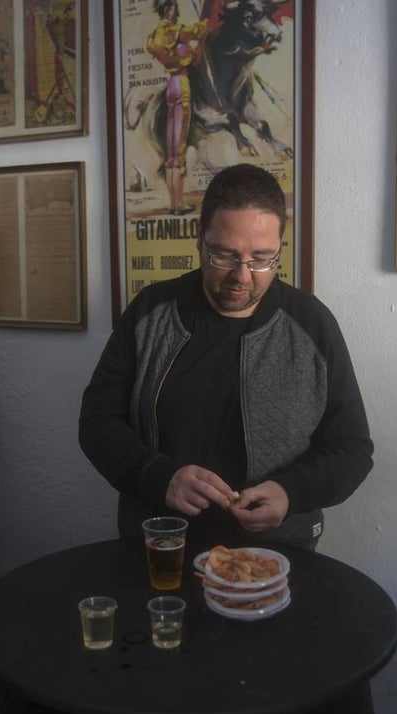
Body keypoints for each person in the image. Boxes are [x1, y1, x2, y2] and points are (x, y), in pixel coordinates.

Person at [79, 164, 374, 552]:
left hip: (277, 554)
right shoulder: (151, 312)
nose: (243, 276)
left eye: (262, 258)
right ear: (200, 241)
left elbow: (352, 448)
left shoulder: (312, 324)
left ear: (280, 249)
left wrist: (291, 492)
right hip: (159, 548)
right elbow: (97, 422)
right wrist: (159, 477)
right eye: (224, 256)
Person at [145, 0, 217, 215]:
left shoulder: (154, 36)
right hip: (182, 85)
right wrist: (207, 14)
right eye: (175, 7)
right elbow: (200, 29)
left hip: (171, 87)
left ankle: (175, 203)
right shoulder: (174, 31)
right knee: (179, 151)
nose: (177, 11)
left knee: (172, 152)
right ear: (169, 9)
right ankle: (178, 204)